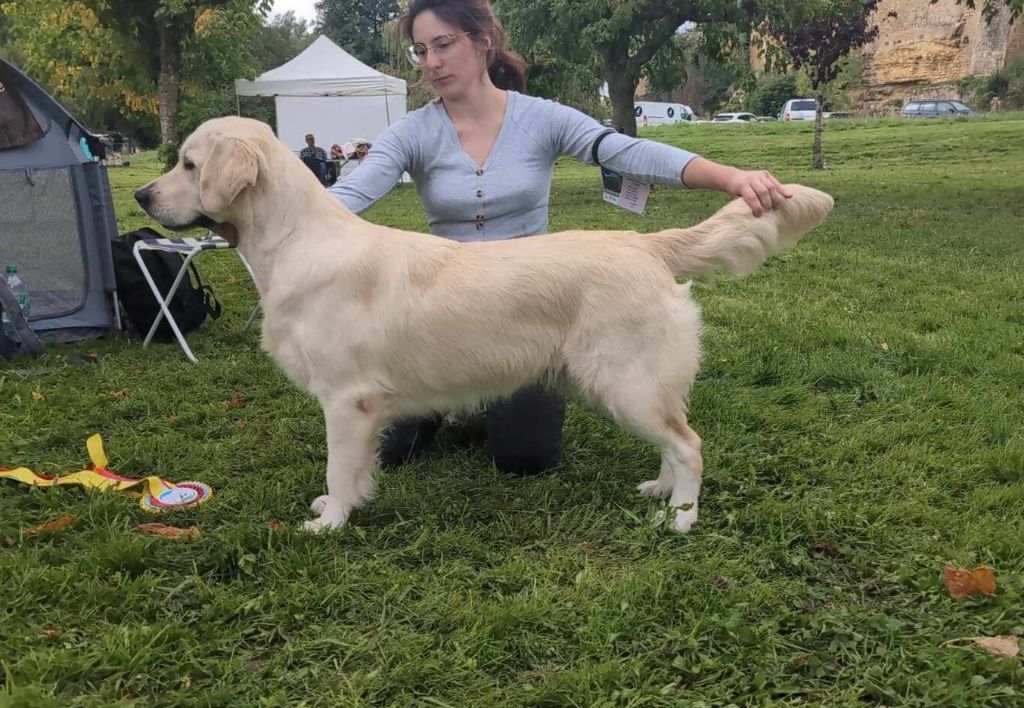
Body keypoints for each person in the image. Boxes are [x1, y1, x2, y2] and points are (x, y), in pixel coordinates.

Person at [328, 0, 792, 476]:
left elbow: (623, 151)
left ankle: (475, 402)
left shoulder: (540, 117)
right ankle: (455, 400)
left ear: (483, 39)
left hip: (530, 309)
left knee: (525, 459)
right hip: (439, 318)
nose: (431, 63)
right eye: (420, 51)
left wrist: (730, 178)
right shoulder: (412, 131)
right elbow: (351, 192)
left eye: (444, 44)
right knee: (390, 454)